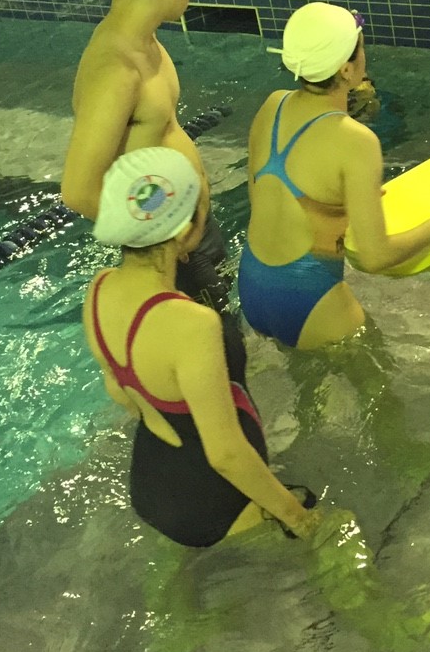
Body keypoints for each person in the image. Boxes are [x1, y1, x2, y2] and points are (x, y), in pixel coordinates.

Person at [83, 146, 319, 547]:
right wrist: (301, 520)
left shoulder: (100, 287)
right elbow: (225, 454)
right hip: (211, 497)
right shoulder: (192, 323)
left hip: (152, 481)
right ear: (181, 231)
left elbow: (122, 393)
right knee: (337, 539)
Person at [238, 1, 430, 350]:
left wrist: (344, 204)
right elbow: (375, 258)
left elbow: (273, 199)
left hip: (252, 285)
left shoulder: (273, 105)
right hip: (311, 299)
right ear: (346, 70)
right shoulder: (356, 141)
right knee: (378, 378)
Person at [61, 0, 229, 313]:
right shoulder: (116, 70)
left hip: (188, 233)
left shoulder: (144, 41)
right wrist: (160, 242)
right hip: (171, 254)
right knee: (219, 345)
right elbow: (78, 191)